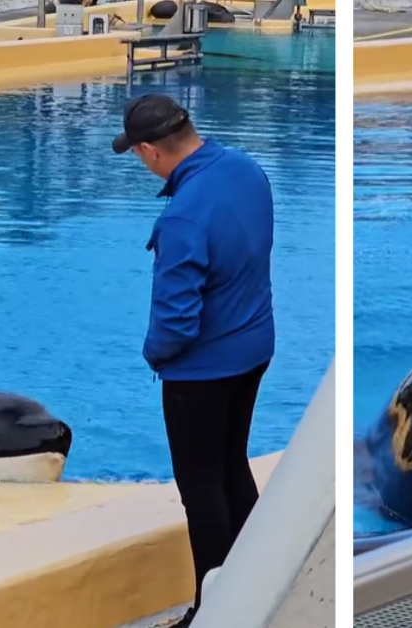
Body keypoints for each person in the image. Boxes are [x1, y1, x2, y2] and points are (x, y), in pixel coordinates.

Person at [112, 93, 275, 627]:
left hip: (200, 372)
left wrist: (151, 353)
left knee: (201, 489)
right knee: (232, 469)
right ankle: (262, 587)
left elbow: (176, 323)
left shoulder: (182, 216)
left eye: (137, 155)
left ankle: (216, 611)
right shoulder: (246, 170)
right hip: (253, 352)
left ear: (149, 151)